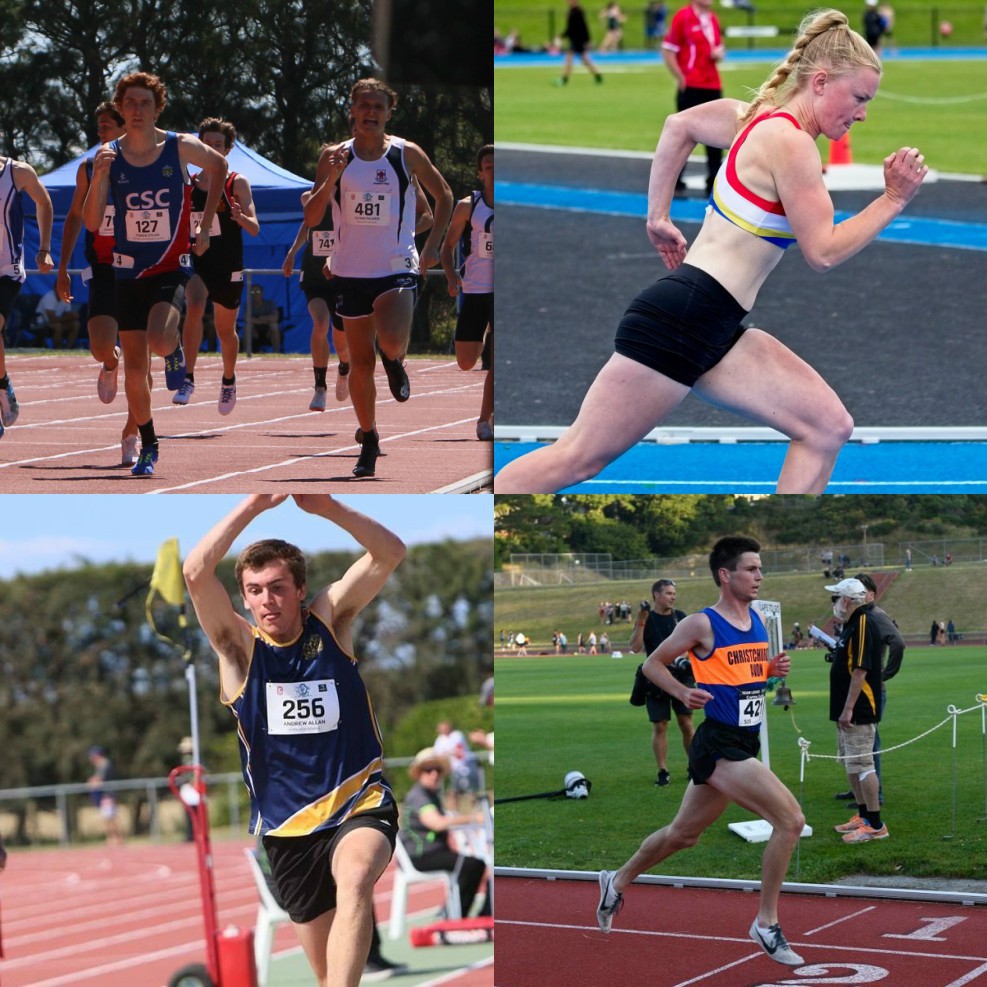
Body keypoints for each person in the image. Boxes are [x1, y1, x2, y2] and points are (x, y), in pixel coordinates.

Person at [496, 10, 928, 496]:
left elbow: (679, 125)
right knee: (576, 458)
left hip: (714, 323)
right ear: (822, 82)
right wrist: (893, 199)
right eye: (860, 98)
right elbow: (823, 252)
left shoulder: (754, 118)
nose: (863, 113)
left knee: (828, 427)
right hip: (684, 318)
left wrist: (657, 216)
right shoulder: (792, 144)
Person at [182, 493, 407, 987]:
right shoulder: (238, 649)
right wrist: (254, 505)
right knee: (328, 976)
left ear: (300, 589)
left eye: (278, 587)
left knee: (354, 882)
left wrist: (327, 506)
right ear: (244, 597)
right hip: (287, 829)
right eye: (255, 590)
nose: (267, 600)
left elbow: (390, 553)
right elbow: (196, 572)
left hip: (359, 802)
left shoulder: (330, 621)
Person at [597, 536, 806, 967]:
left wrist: (769, 671)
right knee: (790, 820)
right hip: (721, 745)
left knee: (683, 835)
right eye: (751, 569)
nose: (759, 576)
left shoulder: (758, 622)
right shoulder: (701, 623)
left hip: (744, 739)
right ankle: (766, 924)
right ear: (726, 575)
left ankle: (615, 881)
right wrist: (682, 691)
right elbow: (651, 663)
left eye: (761, 568)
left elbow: (745, 678)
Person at [302, 77, 453, 478]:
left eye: (378, 107)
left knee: (390, 338)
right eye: (363, 105)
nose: (370, 112)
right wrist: (331, 179)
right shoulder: (334, 157)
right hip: (350, 269)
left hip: (396, 264)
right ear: (351, 110)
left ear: (388, 113)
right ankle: (368, 438)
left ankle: (395, 359)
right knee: (358, 362)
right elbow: (313, 217)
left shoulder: (406, 154)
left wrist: (434, 243)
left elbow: (445, 196)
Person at [82, 70, 228, 476]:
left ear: (157, 107)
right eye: (129, 103)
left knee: (161, 340)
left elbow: (219, 164)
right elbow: (93, 223)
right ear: (120, 107)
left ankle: (175, 347)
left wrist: (203, 223)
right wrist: (99, 177)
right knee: (133, 370)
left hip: (170, 264)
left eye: (145, 102)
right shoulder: (108, 155)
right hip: (127, 271)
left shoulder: (179, 147)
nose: (137, 109)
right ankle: (148, 443)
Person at [55, 101, 143, 465]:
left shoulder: (145, 163)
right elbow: (76, 216)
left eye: (107, 126)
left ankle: (132, 434)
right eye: (99, 128)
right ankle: (109, 363)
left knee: (142, 364)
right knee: (100, 345)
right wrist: (62, 266)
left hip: (141, 266)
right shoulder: (89, 168)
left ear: (125, 127)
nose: (101, 133)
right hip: (103, 268)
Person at [173, 117, 259, 415]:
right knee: (194, 304)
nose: (211, 149)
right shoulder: (187, 183)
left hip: (228, 264)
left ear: (228, 149)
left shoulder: (237, 182)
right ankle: (188, 377)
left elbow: (255, 228)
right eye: (206, 144)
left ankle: (228, 379)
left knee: (225, 330)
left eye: (218, 145)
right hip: (197, 259)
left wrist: (239, 217)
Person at [826, 577, 889, 843]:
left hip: (859, 709)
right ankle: (863, 816)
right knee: (852, 763)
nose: (835, 604)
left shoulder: (863, 622)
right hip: (845, 708)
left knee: (863, 764)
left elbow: (861, 669)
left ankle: (875, 824)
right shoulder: (851, 625)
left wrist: (849, 708)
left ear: (848, 599)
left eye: (836, 597)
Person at [440, 144, 494, 441]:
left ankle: (484, 419)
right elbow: (447, 247)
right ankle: (483, 338)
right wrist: (450, 275)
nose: (495, 170)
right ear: (480, 172)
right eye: (489, 166)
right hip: (475, 289)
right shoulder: (467, 206)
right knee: (465, 361)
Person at [0, 144, 53, 439]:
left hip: (7, 270)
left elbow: (44, 203)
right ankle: (2, 381)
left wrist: (44, 249)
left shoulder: (17, 172)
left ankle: (2, 384)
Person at [400, 747, 491, 919]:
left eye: (438, 770)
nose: (434, 774)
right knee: (472, 865)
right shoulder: (420, 796)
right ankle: (455, 916)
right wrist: (474, 818)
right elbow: (437, 823)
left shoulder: (431, 794)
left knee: (473, 863)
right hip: (423, 854)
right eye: (428, 770)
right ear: (419, 773)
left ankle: (459, 911)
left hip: (434, 851)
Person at [629, 579, 694, 787]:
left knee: (686, 723)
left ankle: (694, 766)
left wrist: (679, 658)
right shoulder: (647, 618)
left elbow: (691, 643)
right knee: (660, 726)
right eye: (668, 593)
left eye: (674, 593)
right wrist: (641, 620)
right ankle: (663, 770)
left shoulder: (681, 617)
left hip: (680, 676)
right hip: (655, 678)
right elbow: (635, 647)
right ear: (656, 595)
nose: (673, 597)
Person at [662, 0, 725, 197]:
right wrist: (680, 77)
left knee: (716, 136)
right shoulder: (683, 17)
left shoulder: (712, 18)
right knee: (683, 136)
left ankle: (713, 180)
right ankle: (674, 181)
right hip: (691, 85)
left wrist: (717, 54)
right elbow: (668, 49)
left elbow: (715, 46)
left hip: (712, 83)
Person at [434, 720, 481, 810]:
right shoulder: (439, 739)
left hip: (466, 769)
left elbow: (457, 750)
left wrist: (445, 754)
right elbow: (438, 754)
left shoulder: (457, 735)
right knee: (452, 794)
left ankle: (478, 812)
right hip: (454, 771)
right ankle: (455, 815)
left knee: (471, 794)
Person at [559, 0, 603, 84]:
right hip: (575, 39)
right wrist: (562, 35)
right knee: (584, 59)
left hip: (578, 39)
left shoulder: (578, 12)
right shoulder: (572, 11)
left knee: (569, 58)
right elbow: (570, 28)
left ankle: (564, 79)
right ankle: (597, 76)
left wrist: (587, 40)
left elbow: (583, 27)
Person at [87, 746, 124, 844]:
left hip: (108, 795)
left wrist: (92, 782)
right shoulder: (102, 765)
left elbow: (99, 779)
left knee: (110, 817)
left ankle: (116, 838)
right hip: (106, 795)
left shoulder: (104, 764)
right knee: (108, 817)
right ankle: (113, 838)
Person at [244, 283, 282, 353]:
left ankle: (277, 352)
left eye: (258, 291)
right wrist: (266, 319)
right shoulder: (248, 305)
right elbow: (247, 318)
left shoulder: (270, 304)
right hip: (254, 330)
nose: (255, 294)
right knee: (247, 327)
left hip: (269, 331)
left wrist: (259, 318)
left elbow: (275, 318)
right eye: (252, 292)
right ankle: (246, 351)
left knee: (274, 326)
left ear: (262, 293)